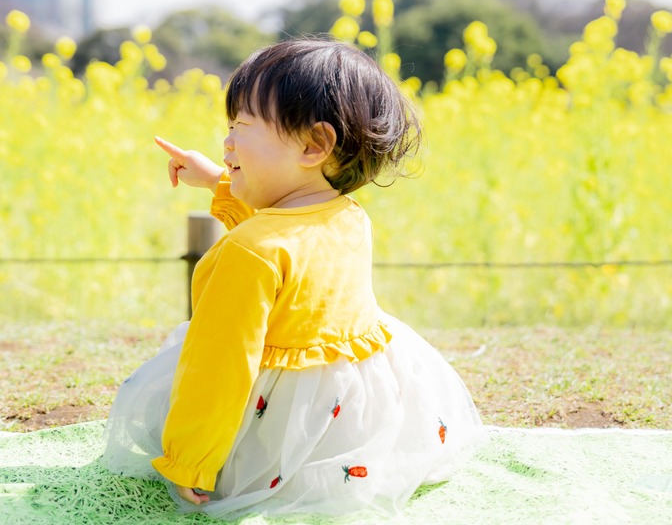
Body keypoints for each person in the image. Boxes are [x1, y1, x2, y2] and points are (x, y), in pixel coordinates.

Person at [102, 38, 483, 518]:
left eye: (242, 126)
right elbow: (284, 236)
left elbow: (218, 368)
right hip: (355, 423)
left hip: (278, 428)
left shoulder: (249, 253)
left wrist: (190, 462)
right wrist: (218, 179)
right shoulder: (345, 215)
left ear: (313, 144)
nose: (227, 142)